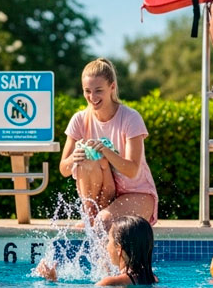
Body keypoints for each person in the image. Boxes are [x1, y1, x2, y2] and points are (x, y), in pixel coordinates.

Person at [60, 58, 158, 230]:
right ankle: (90, 214)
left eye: (98, 90)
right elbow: (64, 169)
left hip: (136, 193)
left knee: (104, 222)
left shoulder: (130, 118)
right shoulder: (79, 120)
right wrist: (74, 158)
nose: (92, 97)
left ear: (112, 87)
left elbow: (132, 170)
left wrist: (105, 150)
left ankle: (96, 221)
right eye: (87, 91)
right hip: (103, 195)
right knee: (85, 158)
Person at [36, 215, 158, 286]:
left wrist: (52, 281)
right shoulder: (153, 279)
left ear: (119, 249)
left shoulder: (108, 282)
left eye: (109, 240)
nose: (106, 245)